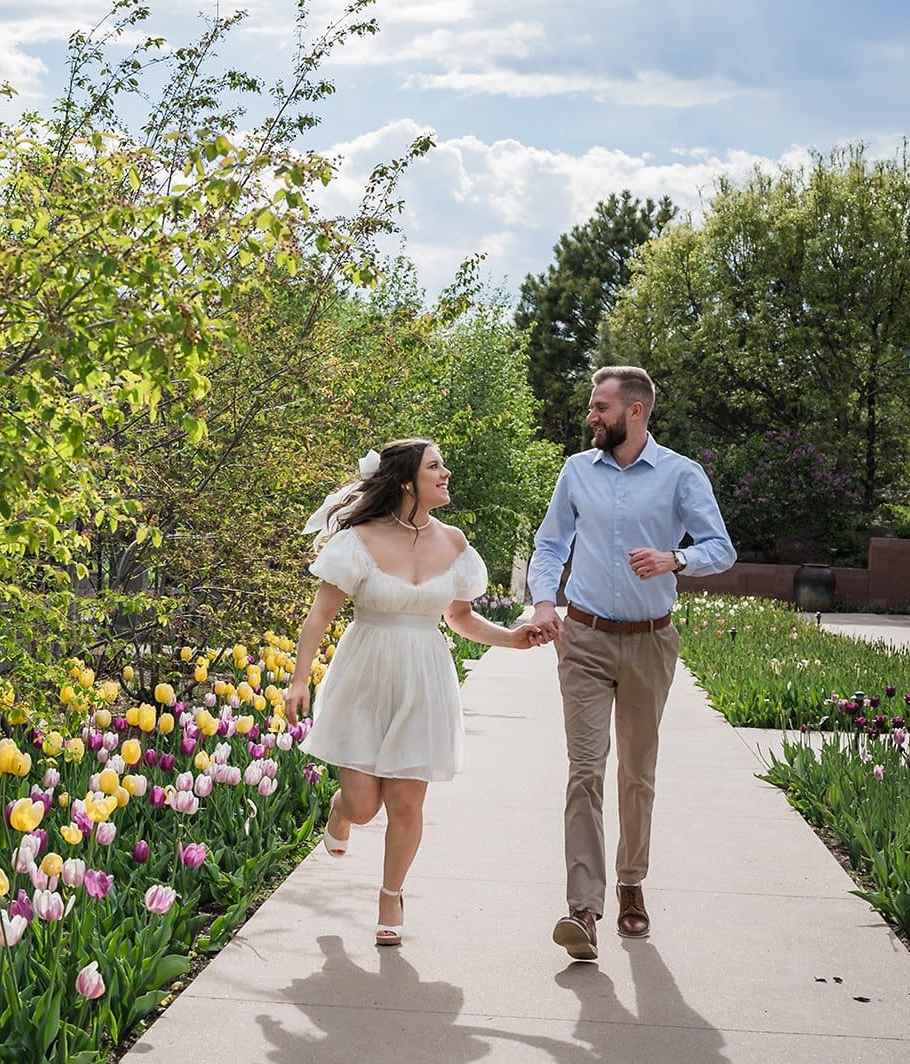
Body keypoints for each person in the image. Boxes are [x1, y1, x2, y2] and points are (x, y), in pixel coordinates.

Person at [285, 438, 552, 947]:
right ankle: (342, 812)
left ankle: (391, 894)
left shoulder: (453, 543)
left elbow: (459, 616)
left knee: (406, 803)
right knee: (365, 807)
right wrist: (301, 678)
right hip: (364, 675)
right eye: (435, 466)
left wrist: (511, 640)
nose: (446, 473)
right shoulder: (358, 539)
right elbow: (320, 615)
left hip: (424, 678)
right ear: (407, 481)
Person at [527, 366, 735, 961]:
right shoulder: (576, 472)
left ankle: (631, 883)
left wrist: (675, 560)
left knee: (636, 773)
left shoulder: (680, 475)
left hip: (650, 641)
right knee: (584, 771)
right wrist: (545, 601)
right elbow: (550, 545)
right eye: (592, 407)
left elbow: (720, 548)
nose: (590, 416)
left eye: (600, 407)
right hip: (585, 639)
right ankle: (583, 909)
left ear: (635, 411)